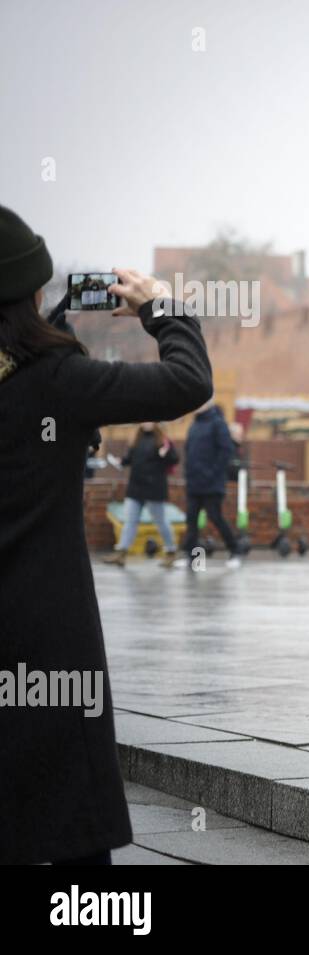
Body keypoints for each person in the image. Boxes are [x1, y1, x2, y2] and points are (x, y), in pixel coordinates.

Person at [0, 205, 212, 864]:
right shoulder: (57, 383)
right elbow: (187, 381)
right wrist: (163, 309)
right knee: (70, 818)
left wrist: (45, 329)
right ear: (30, 293)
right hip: (49, 632)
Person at [176, 398, 242, 568]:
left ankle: (235, 551)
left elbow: (226, 450)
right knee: (192, 521)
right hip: (194, 482)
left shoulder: (218, 424)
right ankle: (193, 557)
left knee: (215, 517)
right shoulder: (194, 425)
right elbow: (188, 451)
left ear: (208, 404)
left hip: (212, 483)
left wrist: (212, 473)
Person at [102, 422, 179, 566]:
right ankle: (121, 553)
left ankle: (171, 551)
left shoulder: (162, 440)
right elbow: (131, 459)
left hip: (154, 488)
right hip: (136, 487)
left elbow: (175, 459)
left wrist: (165, 454)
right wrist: (121, 461)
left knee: (161, 521)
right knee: (130, 521)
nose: (147, 422)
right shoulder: (136, 439)